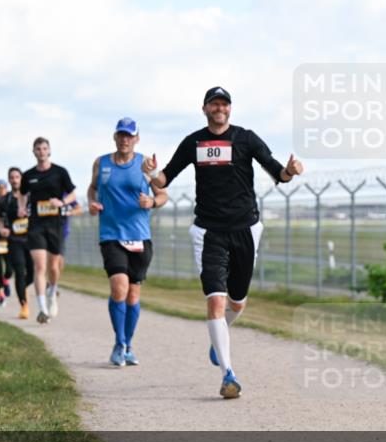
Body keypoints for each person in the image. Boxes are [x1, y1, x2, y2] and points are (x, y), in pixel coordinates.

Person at [143, 87, 304, 398]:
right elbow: (165, 179)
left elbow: (276, 171)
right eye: (214, 104)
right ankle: (228, 374)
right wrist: (150, 174)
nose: (219, 109)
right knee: (216, 299)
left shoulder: (246, 138)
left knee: (238, 301)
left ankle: (221, 337)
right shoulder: (194, 142)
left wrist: (290, 171)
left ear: (230, 109)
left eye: (224, 104)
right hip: (208, 232)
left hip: (246, 228)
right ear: (204, 108)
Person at [88, 117, 168, 367]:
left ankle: (128, 345)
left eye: (129, 135)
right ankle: (119, 343)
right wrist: (92, 202)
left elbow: (163, 194)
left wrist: (152, 202)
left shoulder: (146, 164)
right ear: (115, 137)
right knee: (119, 287)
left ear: (136, 139)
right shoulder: (101, 163)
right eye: (121, 135)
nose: (125, 139)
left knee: (133, 295)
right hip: (111, 234)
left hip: (140, 236)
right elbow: (92, 189)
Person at [18, 138, 75, 324]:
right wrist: (21, 207)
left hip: (55, 224)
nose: (41, 152)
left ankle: (52, 290)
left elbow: (73, 192)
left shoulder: (60, 172)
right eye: (38, 149)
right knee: (40, 266)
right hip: (36, 225)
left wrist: (63, 202)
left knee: (53, 266)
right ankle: (42, 309)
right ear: (33, 152)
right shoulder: (28, 175)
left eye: (44, 148)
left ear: (49, 151)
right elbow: (22, 194)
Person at [0, 168, 35, 319]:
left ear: (22, 179)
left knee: (32, 273)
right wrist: (2, 229)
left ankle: (22, 289)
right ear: (9, 180)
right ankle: (24, 305)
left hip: (32, 239)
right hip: (14, 241)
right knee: (20, 271)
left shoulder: (30, 196)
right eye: (12, 177)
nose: (15, 180)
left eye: (17, 177)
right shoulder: (5, 199)